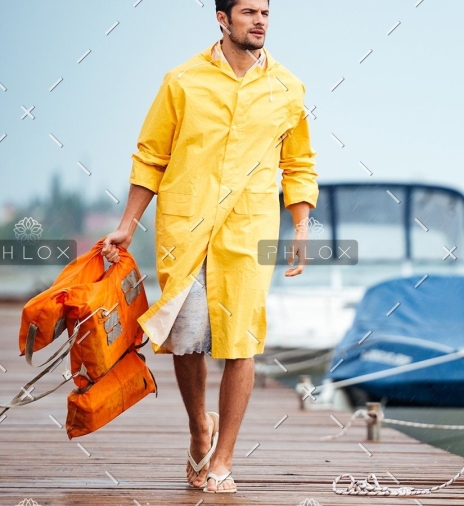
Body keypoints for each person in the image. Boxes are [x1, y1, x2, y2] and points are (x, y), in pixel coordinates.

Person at [101, 0, 318, 494]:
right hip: (186, 228)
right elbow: (151, 157)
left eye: (265, 12)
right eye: (248, 12)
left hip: (248, 231)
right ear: (222, 18)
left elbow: (299, 163)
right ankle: (201, 423)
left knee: (242, 341)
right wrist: (128, 225)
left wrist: (301, 229)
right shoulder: (181, 81)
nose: (259, 21)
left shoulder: (287, 87)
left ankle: (223, 458)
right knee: (187, 338)